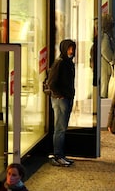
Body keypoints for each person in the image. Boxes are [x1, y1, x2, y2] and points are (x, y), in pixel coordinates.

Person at [46, 39, 76, 167]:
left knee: (62, 128)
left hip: (66, 97)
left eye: (73, 48)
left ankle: (60, 154)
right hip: (61, 99)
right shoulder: (60, 63)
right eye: (69, 48)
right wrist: (60, 95)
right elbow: (51, 82)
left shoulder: (68, 63)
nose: (72, 51)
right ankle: (58, 155)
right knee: (60, 128)